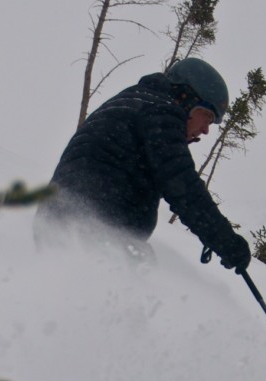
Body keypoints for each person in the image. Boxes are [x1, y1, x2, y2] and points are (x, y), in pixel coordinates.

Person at [33, 56, 251, 271]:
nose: (205, 129)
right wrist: (225, 241)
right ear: (189, 97)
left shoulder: (134, 101)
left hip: (59, 220)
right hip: (96, 226)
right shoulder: (161, 111)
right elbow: (182, 185)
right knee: (137, 287)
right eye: (208, 117)